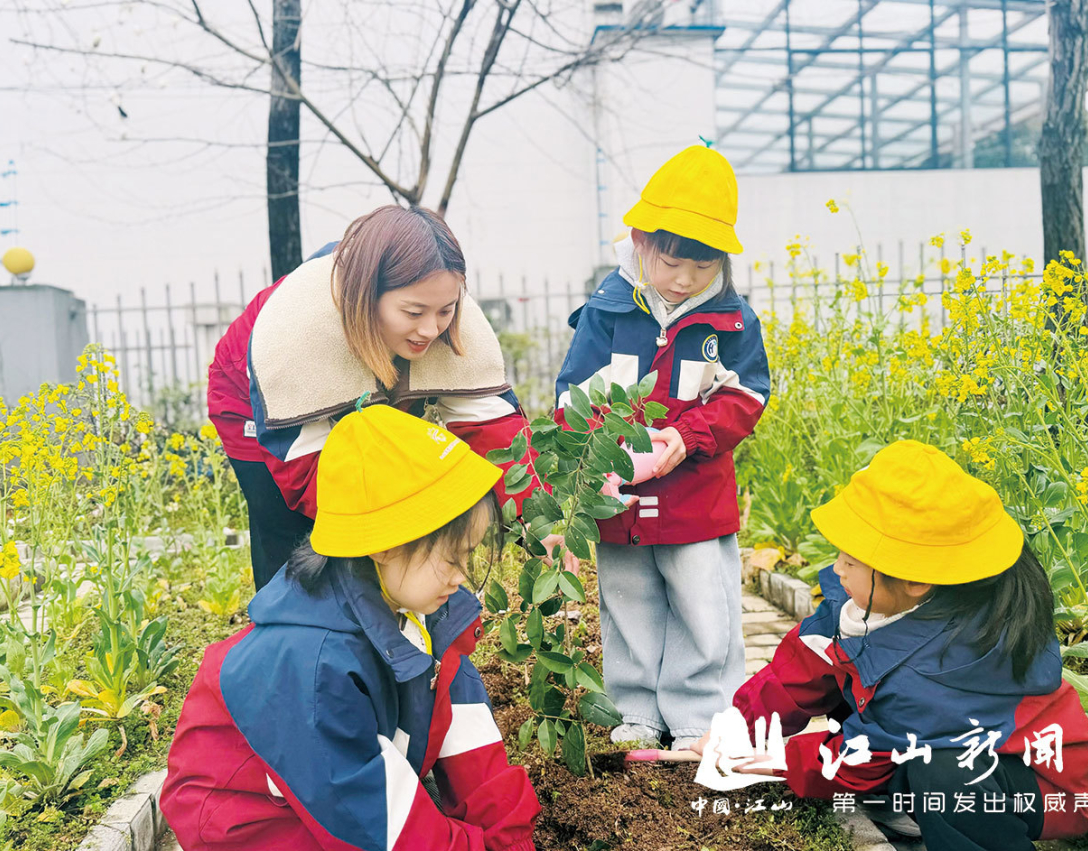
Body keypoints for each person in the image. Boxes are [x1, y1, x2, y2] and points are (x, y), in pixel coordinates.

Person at [160, 403, 541, 851]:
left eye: (470, 554)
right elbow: (380, 826)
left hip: (328, 789)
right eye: (452, 556)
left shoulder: (427, 608)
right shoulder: (311, 663)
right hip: (248, 822)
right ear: (382, 545)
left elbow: (473, 748)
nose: (461, 576)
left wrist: (511, 842)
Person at [700, 440, 1088, 850]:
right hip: (931, 740)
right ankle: (913, 804)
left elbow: (857, 758)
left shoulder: (943, 671)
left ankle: (961, 824)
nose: (837, 569)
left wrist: (772, 763)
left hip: (1037, 782)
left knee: (944, 777)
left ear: (915, 580)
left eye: (850, 562)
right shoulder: (883, 599)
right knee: (852, 676)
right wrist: (736, 729)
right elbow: (806, 662)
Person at [554, 143, 771, 750]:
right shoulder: (608, 312)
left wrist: (687, 435)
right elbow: (573, 391)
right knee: (627, 605)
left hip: (695, 498)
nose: (685, 279)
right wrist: (589, 460)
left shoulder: (730, 323)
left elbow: (747, 398)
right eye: (673, 263)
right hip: (617, 499)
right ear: (640, 241)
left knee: (704, 608)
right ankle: (636, 710)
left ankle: (700, 716)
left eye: (703, 268)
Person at [207, 206, 545, 590]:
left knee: (401, 550)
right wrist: (399, 528)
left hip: (377, 385)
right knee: (294, 536)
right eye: (413, 312)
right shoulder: (296, 335)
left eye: (445, 310)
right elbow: (311, 474)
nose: (431, 328)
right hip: (259, 401)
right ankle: (290, 631)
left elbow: (494, 430)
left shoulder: (446, 321)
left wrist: (536, 517)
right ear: (367, 297)